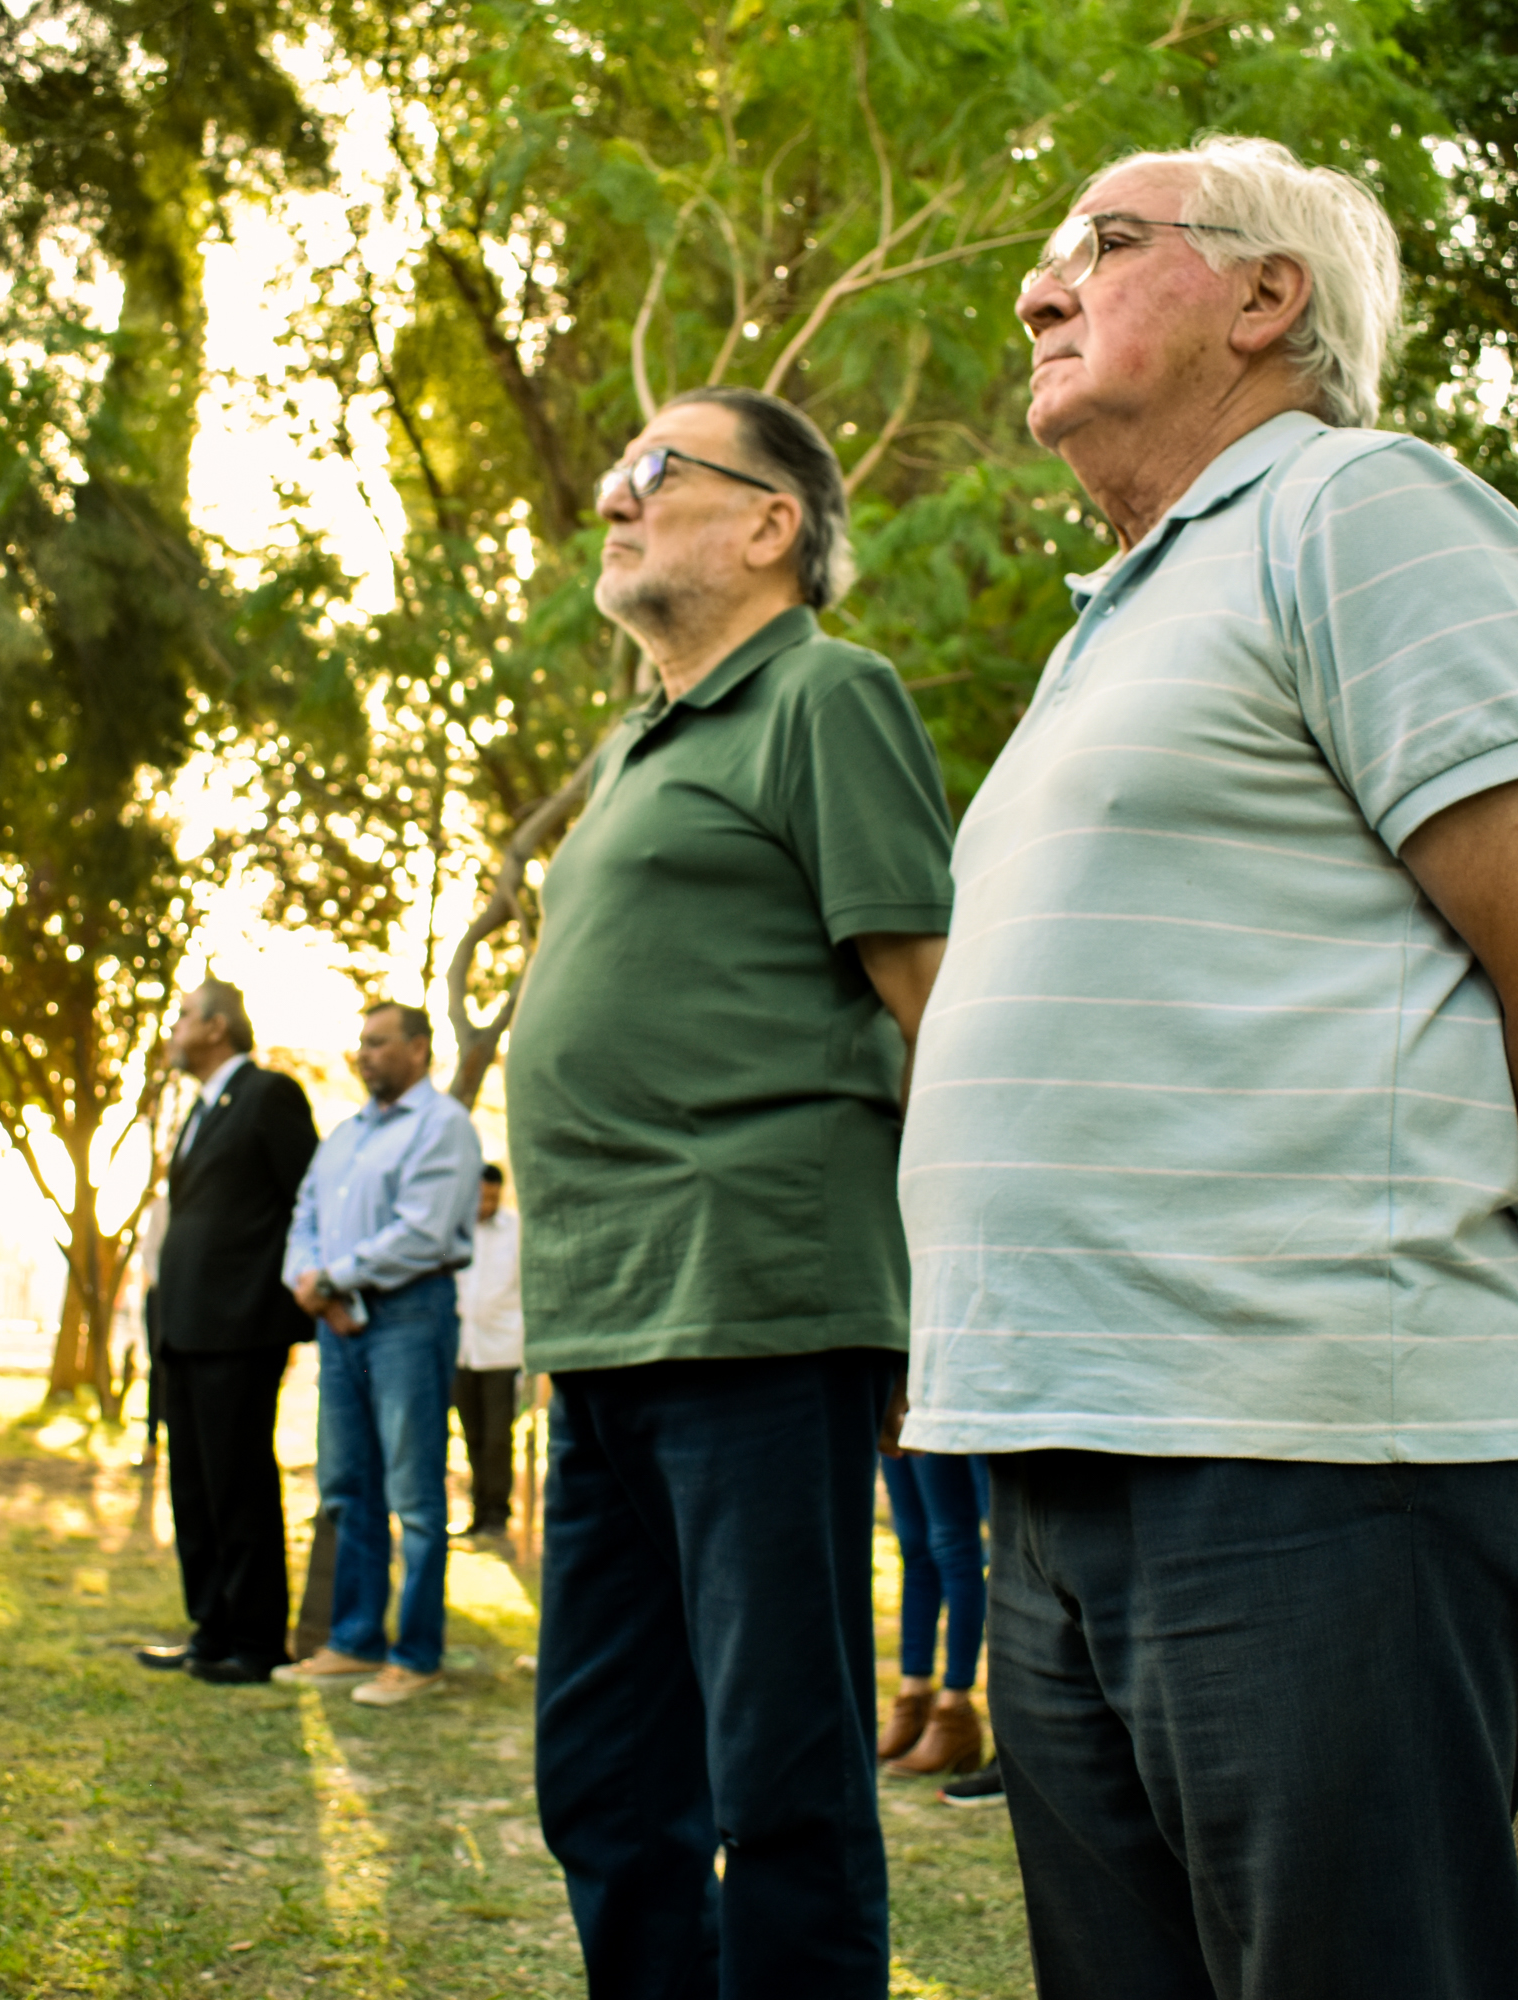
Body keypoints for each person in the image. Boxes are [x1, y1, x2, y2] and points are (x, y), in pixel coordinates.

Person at [896, 137, 1518, 1999]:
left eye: (1100, 242)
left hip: (1312, 1455)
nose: (1037, 286)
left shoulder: (1362, 512)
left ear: (1269, 300)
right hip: (1060, 1463)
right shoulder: (1122, 616)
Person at [505, 383, 954, 2000]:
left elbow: (936, 1000)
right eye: (616, 472)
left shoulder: (826, 698)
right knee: (607, 1777)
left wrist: (950, 1301)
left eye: (655, 471)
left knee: (780, 1779)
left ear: (773, 524)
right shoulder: (638, 741)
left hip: (760, 1299)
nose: (615, 500)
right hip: (606, 1315)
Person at [276, 1002, 482, 1706]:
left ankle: (417, 1654)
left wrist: (335, 1277)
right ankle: (355, 1641)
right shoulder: (342, 1137)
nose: (363, 1054)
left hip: (409, 1318)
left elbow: (421, 1234)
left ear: (419, 1049)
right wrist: (312, 1283)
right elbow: (302, 1219)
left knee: (414, 1495)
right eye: (360, 1043)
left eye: (378, 1042)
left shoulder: (443, 1126)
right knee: (346, 1485)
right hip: (339, 1325)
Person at [135, 980, 320, 1686]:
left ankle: (256, 1638)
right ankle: (210, 1628)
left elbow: (310, 1195)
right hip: (183, 1327)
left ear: (216, 1027)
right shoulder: (197, 1110)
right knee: (195, 1486)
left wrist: (299, 1289)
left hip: (241, 1327)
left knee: (239, 1482)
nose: (174, 1030)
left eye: (182, 1016)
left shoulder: (271, 1095)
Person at [876, 1446, 988, 1777]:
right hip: (898, 1402)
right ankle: (914, 1697)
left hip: (940, 1405)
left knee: (952, 1543)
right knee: (913, 1545)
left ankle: (955, 1708)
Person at [453, 1163, 524, 1542]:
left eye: (493, 1196)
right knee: (472, 1434)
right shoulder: (457, 1228)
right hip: (463, 1349)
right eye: (482, 1195)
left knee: (498, 1436)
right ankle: (478, 1512)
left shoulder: (515, 1231)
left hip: (502, 1350)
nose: (487, 1203)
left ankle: (497, 1513)